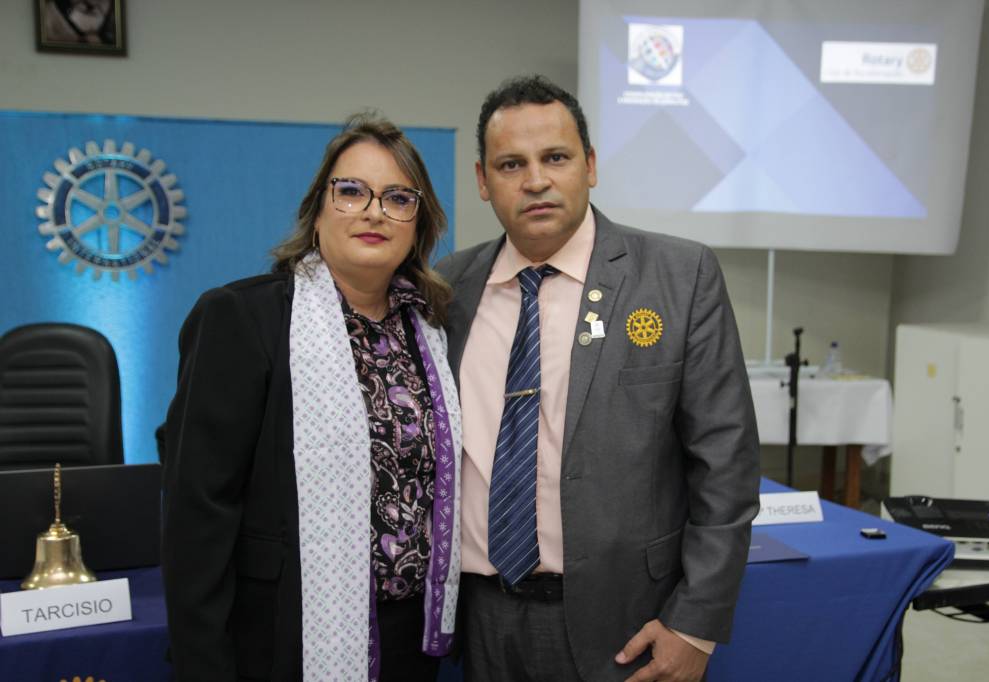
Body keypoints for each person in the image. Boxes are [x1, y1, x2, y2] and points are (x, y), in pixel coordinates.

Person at [437, 75, 760, 681]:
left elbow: (727, 465)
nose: (536, 180)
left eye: (555, 157)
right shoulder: (449, 288)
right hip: (481, 619)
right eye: (511, 164)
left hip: (629, 625)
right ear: (483, 180)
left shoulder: (679, 275)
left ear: (589, 165)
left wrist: (695, 624)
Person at [160, 113, 462, 682]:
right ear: (317, 210)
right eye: (351, 191)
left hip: (409, 640)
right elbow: (197, 513)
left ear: (418, 225)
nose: (374, 212)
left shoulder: (431, 330)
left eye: (398, 198)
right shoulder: (244, 317)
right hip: (280, 636)